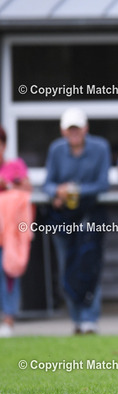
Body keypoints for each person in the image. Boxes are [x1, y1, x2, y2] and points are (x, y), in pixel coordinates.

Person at [43, 108, 110, 335]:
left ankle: (90, 318)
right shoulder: (56, 149)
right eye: (70, 129)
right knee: (67, 265)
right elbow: (48, 183)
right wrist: (58, 192)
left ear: (85, 129)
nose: (74, 133)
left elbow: (102, 184)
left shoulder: (100, 147)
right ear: (63, 131)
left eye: (77, 128)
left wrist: (76, 190)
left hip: (91, 214)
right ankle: (77, 319)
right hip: (63, 218)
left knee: (90, 264)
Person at [0, 125, 32, 338]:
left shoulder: (15, 167)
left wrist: (8, 186)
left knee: (9, 274)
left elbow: (27, 189)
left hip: (9, 234)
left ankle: (8, 320)